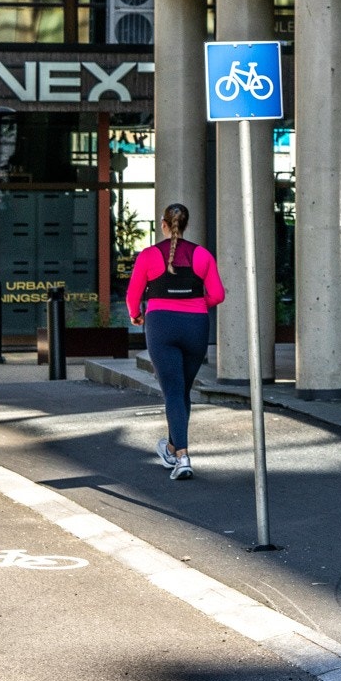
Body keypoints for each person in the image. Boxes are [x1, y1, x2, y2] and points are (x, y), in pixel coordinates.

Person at [126, 203, 225, 480]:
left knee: (172, 391)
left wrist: (136, 315)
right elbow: (217, 295)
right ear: (187, 225)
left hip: (161, 326)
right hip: (196, 327)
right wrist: (195, 304)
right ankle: (171, 447)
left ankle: (182, 457)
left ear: (163, 224)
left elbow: (133, 297)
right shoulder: (202, 255)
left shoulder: (148, 256)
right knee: (181, 392)